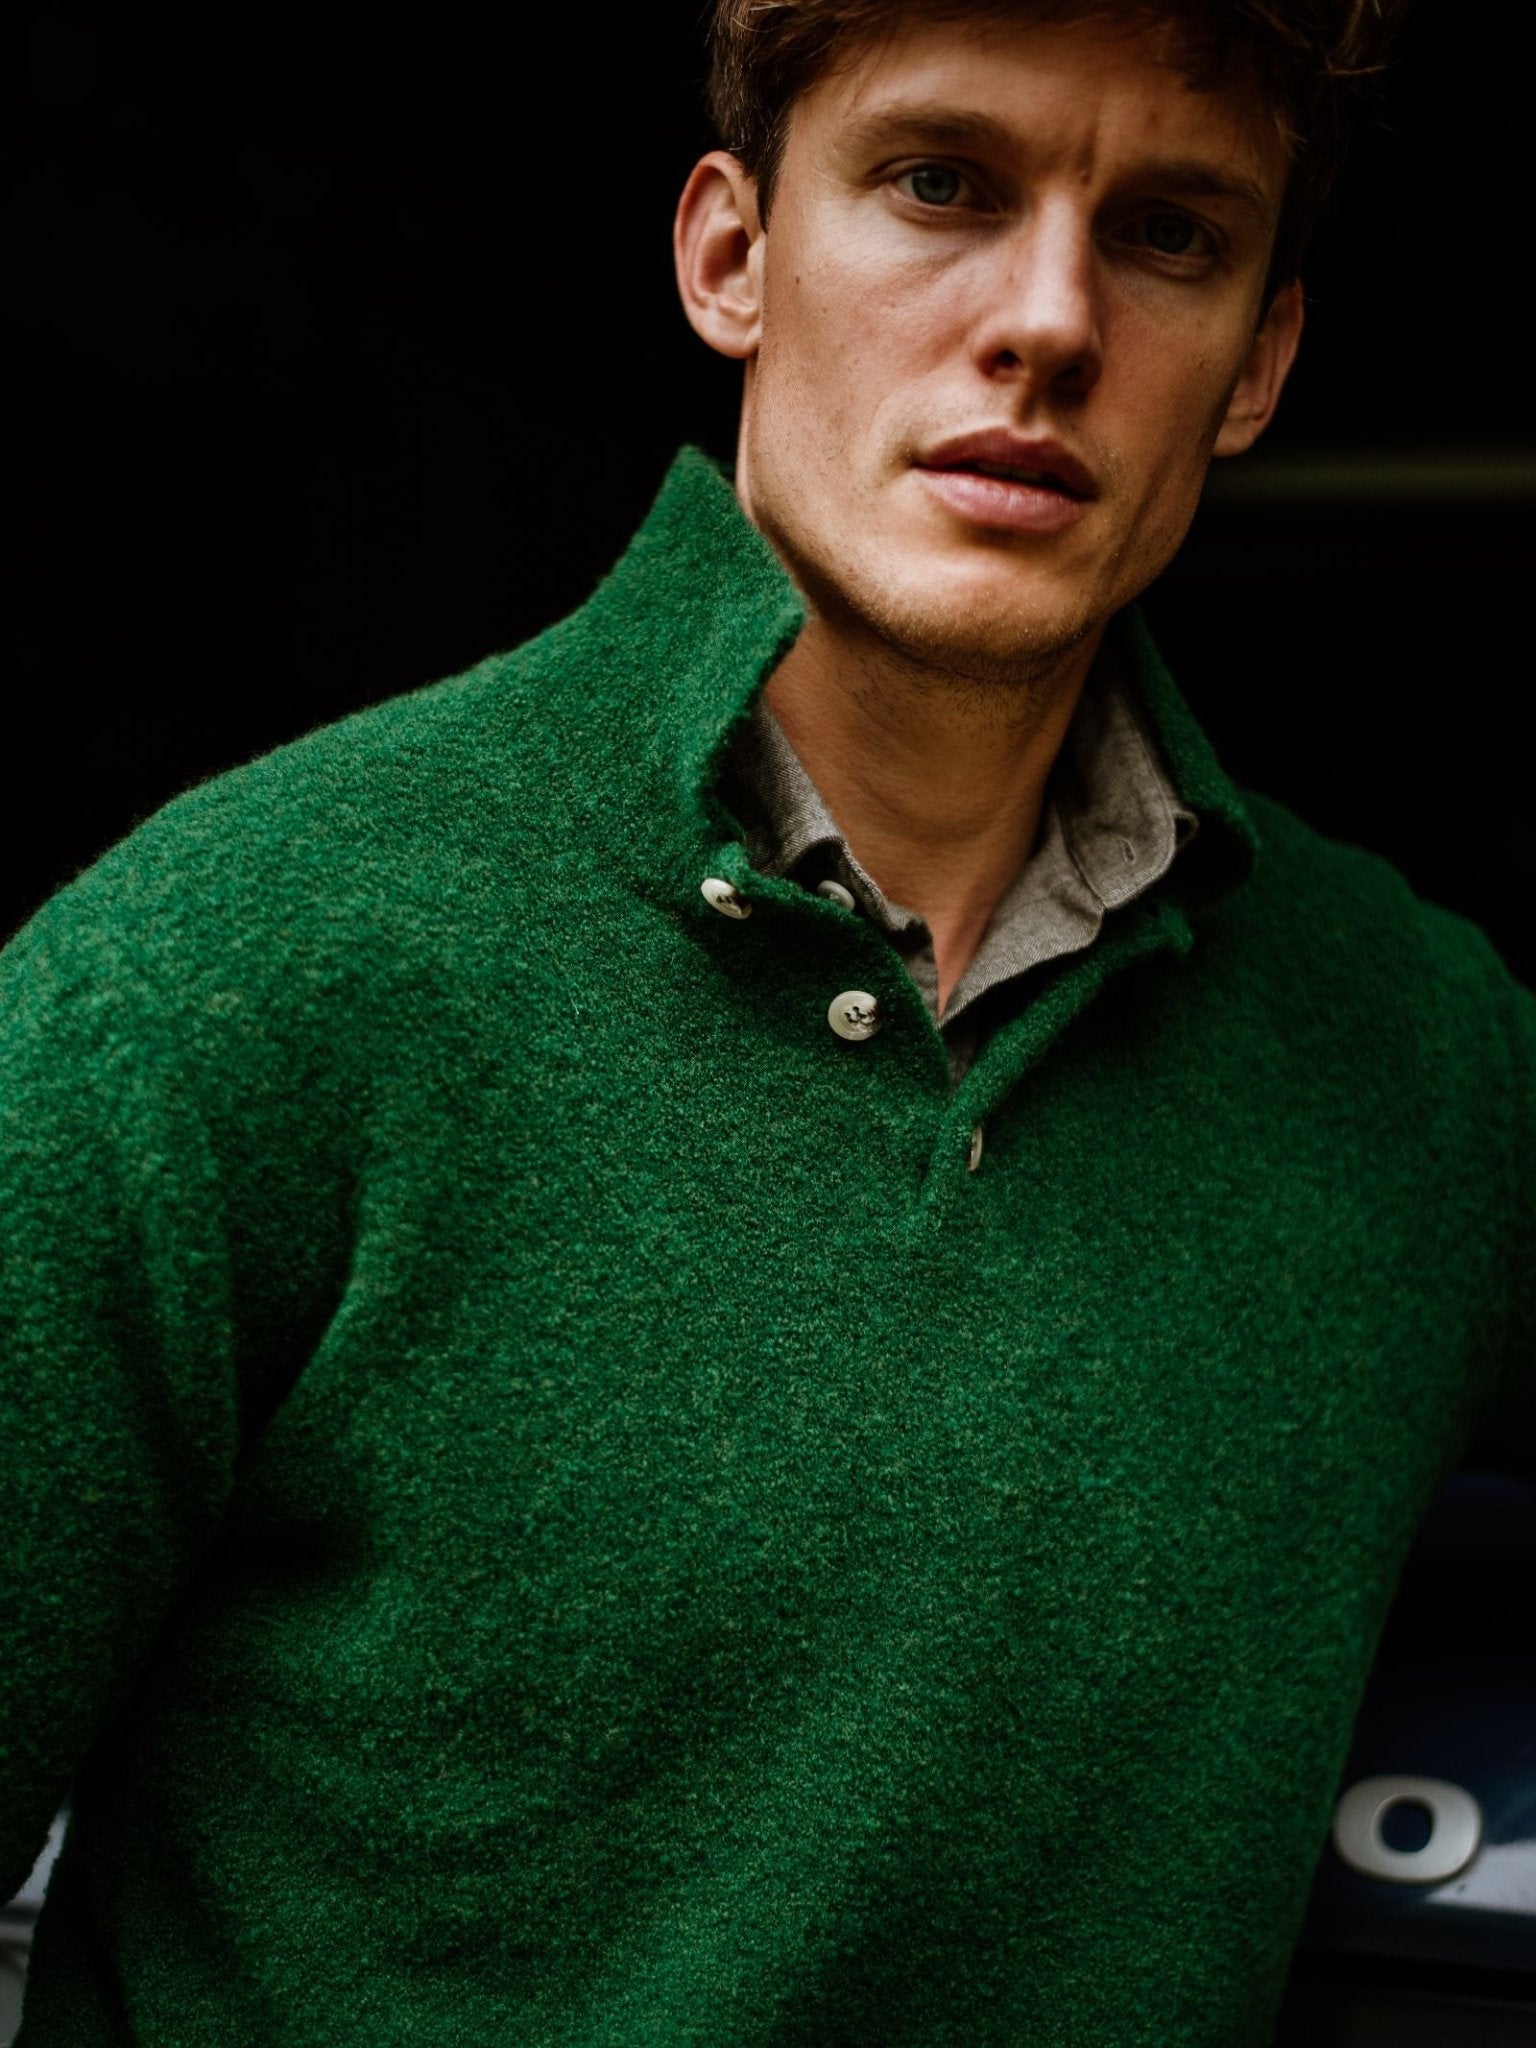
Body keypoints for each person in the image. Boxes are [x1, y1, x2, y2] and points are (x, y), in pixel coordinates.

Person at [2, 2, 1530, 2042]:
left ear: (1257, 363)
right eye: (939, 185)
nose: (1047, 320)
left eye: (1169, 233)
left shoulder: (1427, 1061)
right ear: (728, 254)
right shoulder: (228, 968)